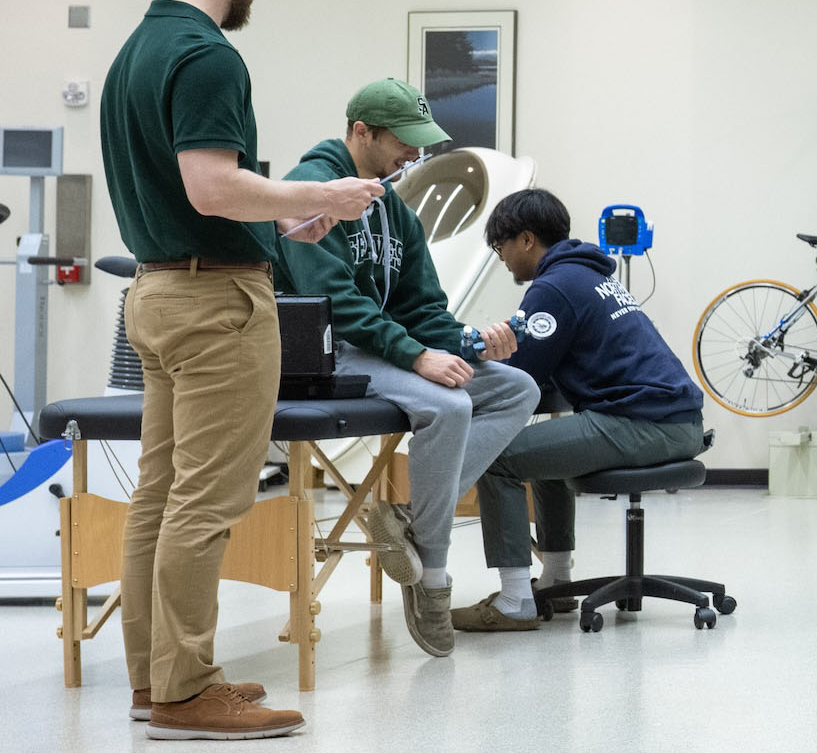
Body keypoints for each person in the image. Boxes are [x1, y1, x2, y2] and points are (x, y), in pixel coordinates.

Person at [99, 0, 377, 739]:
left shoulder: (133, 53)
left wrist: (282, 220)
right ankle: (188, 690)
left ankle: (155, 678)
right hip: (215, 307)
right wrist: (319, 193)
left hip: (155, 292)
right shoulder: (207, 54)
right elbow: (210, 185)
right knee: (206, 500)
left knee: (158, 494)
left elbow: (193, 197)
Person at [271, 78, 539, 656]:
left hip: (385, 349)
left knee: (517, 389)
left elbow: (422, 309)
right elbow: (338, 305)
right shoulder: (309, 188)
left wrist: (469, 343)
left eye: (422, 143)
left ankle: (410, 518)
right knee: (449, 403)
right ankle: (435, 575)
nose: (414, 156)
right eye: (405, 142)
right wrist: (419, 356)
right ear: (360, 132)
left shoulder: (395, 211)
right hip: (328, 352)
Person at [459, 189, 708, 632]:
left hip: (642, 423)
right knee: (546, 446)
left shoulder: (553, 287)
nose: (503, 259)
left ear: (528, 239)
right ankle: (555, 580)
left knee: (498, 456)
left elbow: (522, 375)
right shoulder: (591, 276)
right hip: (677, 421)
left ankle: (515, 601)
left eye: (502, 247)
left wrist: (470, 360)